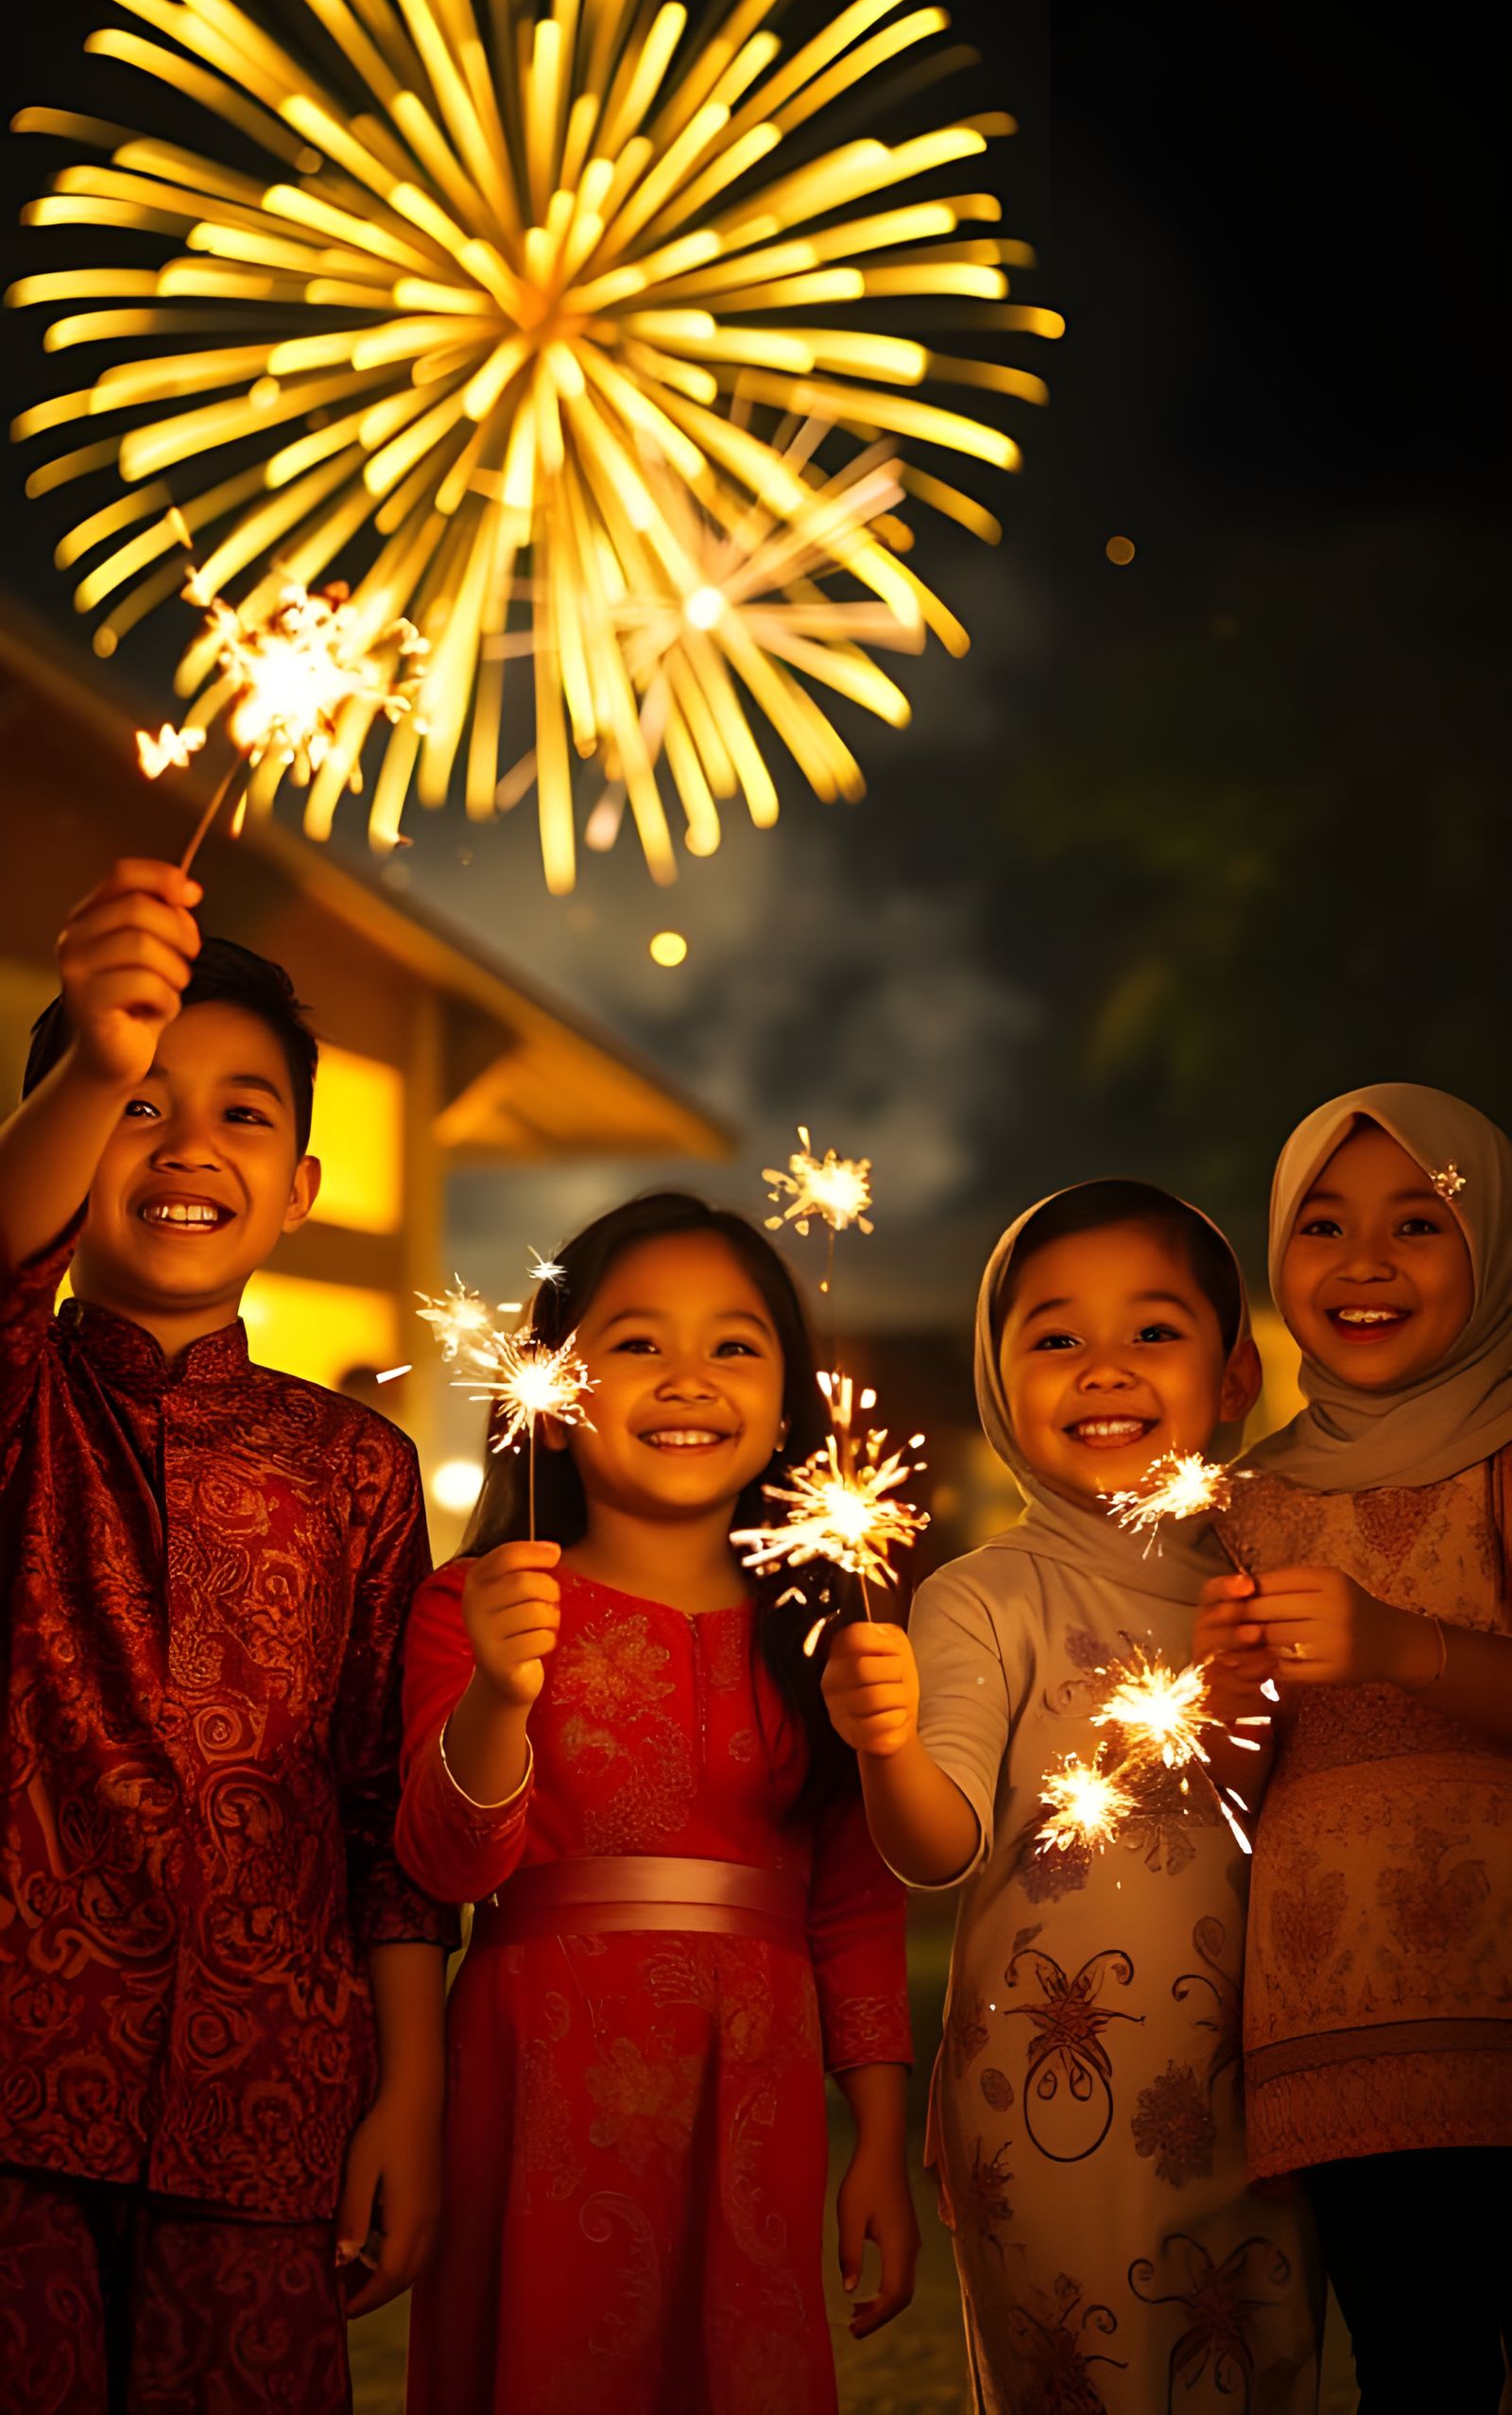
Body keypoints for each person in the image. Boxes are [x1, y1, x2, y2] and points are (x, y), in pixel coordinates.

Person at [0, 858, 452, 2414]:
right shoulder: (25, 1398)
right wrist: (91, 1058)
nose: (187, 1142)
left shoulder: (357, 1469)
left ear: (304, 1184)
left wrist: (410, 2095)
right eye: (138, 1102)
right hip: (15, 2089)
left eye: (241, 1112)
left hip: (268, 2098)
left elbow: (384, 1812)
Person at [396, 1191, 917, 2415]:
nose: (689, 1378)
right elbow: (444, 1866)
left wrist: (882, 2141)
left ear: (788, 1405)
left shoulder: (830, 1631)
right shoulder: (474, 1604)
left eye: (734, 1344)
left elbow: (855, 1904)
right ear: (554, 1394)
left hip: (757, 2084)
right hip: (536, 2076)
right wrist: (500, 1693)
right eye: (638, 1342)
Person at [822, 1180, 1322, 2414]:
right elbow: (935, 1848)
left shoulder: (1287, 1581)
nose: (1105, 1367)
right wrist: (886, 1749)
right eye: (1055, 1338)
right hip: (1048, 2099)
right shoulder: (984, 1599)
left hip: (1261, 2085)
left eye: (1153, 1330)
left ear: (1237, 1375)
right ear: (997, 1384)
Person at [1196, 1085, 1512, 2411]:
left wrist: (1400, 1646)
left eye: (1419, 1225)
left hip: (1496, 2006)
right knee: (1415, 2367)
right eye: (1322, 1225)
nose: (1364, 1262)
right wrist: (1225, 1698)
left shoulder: (1504, 1458)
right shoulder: (1245, 1503)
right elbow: (1231, 1791)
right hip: (1335, 2031)